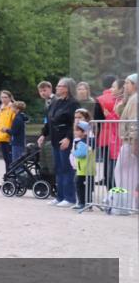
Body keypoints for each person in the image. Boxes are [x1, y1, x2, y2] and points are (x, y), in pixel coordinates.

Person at [36, 77, 81, 208]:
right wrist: (43, 135)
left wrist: (68, 137)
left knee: (67, 168)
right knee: (58, 168)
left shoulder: (73, 103)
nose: (57, 88)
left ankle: (70, 197)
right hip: (55, 138)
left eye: (60, 86)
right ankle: (60, 196)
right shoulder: (55, 102)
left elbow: (74, 123)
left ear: (67, 89)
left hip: (65, 139)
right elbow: (50, 120)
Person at [114, 74, 137, 204]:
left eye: (127, 83)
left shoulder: (135, 99)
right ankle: (129, 201)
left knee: (123, 172)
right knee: (127, 173)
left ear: (134, 84)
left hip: (130, 141)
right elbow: (120, 113)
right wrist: (123, 100)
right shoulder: (132, 99)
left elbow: (134, 121)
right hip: (129, 141)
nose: (124, 86)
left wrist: (134, 142)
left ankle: (126, 201)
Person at [95, 76, 121, 186]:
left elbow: (97, 120)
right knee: (116, 165)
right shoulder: (120, 100)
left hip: (104, 136)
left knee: (107, 164)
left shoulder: (100, 99)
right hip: (117, 136)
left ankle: (109, 192)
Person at [70, 121, 95, 209]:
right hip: (87, 169)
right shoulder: (89, 141)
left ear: (84, 132)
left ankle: (83, 203)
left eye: (77, 130)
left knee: (80, 185)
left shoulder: (83, 143)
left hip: (83, 169)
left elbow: (80, 154)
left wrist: (73, 151)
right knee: (85, 186)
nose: (75, 132)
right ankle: (86, 203)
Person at [0, 90, 16, 170]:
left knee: (10, 160)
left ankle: (11, 177)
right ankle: (8, 177)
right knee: (6, 160)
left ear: (10, 98)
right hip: (2, 137)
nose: (4, 99)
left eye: (6, 97)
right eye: (2, 97)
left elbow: (14, 123)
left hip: (9, 137)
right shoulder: (1, 108)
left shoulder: (12, 108)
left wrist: (10, 133)